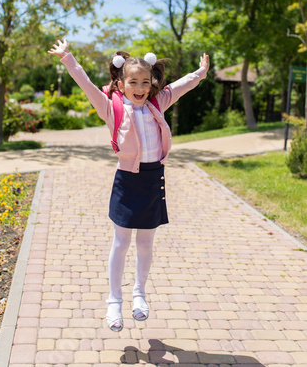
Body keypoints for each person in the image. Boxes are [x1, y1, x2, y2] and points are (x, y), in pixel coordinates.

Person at [48, 39, 210, 332]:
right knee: (121, 243)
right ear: (121, 84)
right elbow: (85, 84)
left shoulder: (157, 103)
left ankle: (139, 294)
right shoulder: (112, 108)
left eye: (145, 82)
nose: (140, 87)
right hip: (126, 181)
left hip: (152, 181)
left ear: (151, 84)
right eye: (133, 81)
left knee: (145, 244)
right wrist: (68, 59)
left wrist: (199, 73)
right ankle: (114, 300)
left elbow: (179, 87)